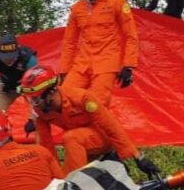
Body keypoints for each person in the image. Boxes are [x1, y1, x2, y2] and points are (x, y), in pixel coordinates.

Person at [17, 66, 160, 176]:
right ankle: (106, 163)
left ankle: (80, 184)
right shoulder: (39, 111)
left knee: (71, 139)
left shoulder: (82, 98)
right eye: (30, 99)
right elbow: (46, 145)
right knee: (62, 177)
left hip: (101, 139)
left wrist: (137, 157)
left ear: (51, 92)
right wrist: (53, 177)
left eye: (36, 98)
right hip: (80, 147)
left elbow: (110, 125)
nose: (33, 103)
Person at [59, 0, 139, 106]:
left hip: (106, 64)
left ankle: (98, 130)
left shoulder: (117, 2)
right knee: (64, 99)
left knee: (96, 107)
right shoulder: (77, 9)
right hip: (81, 65)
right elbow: (69, 42)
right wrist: (63, 71)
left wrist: (128, 65)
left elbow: (131, 35)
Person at [0, 33, 38, 111]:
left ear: (18, 51)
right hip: (6, 85)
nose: (8, 60)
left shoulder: (28, 58)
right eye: (5, 58)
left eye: (12, 57)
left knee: (37, 113)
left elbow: (36, 87)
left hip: (27, 87)